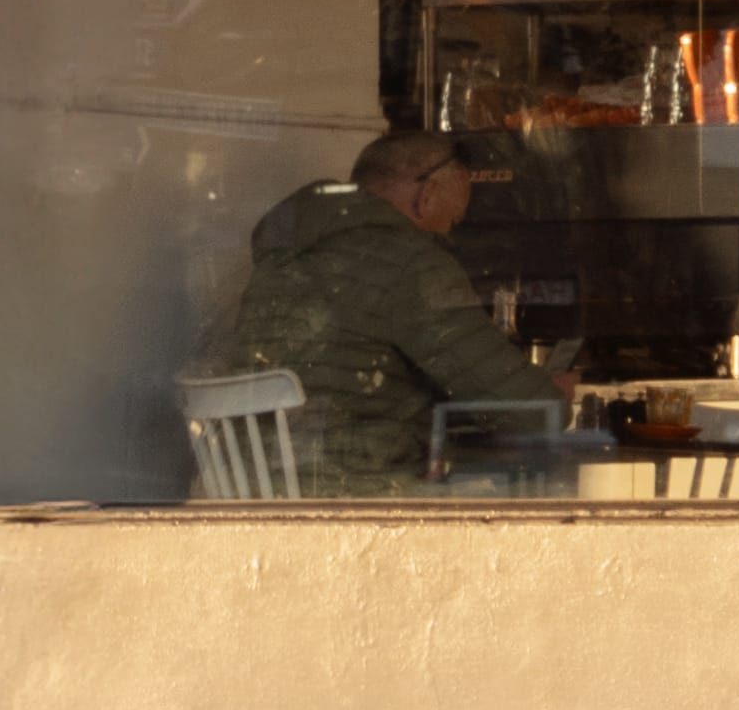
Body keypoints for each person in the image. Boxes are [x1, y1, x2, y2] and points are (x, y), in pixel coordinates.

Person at [224, 126, 562, 480]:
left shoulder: (286, 254)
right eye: (452, 222)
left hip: (261, 488)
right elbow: (529, 413)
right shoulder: (412, 265)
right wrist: (556, 395)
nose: (448, 235)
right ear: (427, 196)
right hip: (358, 492)